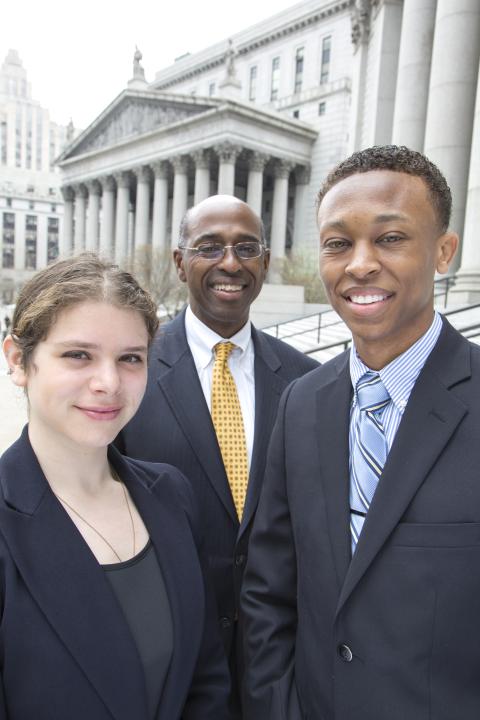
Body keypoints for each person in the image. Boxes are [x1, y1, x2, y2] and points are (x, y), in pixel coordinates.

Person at [241, 145, 480, 720]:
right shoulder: (301, 402)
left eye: (391, 238)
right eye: (338, 243)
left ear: (444, 251)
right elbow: (269, 588)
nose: (360, 264)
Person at [0, 253, 231, 720]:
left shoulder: (171, 495)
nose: (108, 383)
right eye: (78, 355)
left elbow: (205, 677)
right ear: (19, 361)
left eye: (130, 359)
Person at [116, 194, 319, 716]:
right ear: (180, 262)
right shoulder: (127, 375)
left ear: (265, 263)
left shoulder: (308, 382)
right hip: (166, 665)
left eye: (246, 247)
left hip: (277, 670)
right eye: (210, 247)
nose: (231, 262)